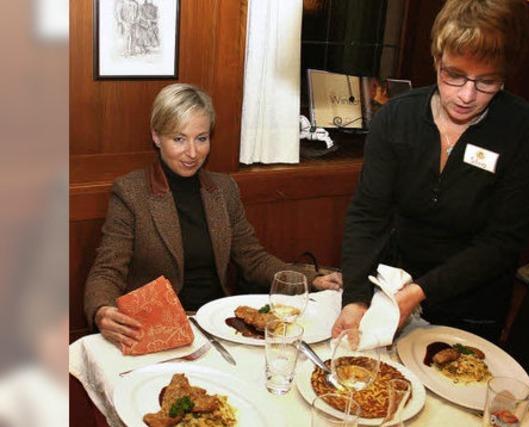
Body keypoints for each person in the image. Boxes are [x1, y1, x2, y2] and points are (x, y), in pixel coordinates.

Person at [332, 0, 529, 342]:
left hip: (471, 306)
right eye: (454, 75)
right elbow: (367, 214)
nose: (466, 95)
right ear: (437, 59)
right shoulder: (396, 119)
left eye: (487, 82)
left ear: (505, 74)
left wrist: (420, 292)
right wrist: (356, 299)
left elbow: (502, 243)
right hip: (392, 289)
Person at [85, 83, 342, 347]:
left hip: (220, 323)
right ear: (156, 137)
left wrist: (312, 279)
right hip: (160, 328)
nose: (193, 153)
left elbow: (252, 258)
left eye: (201, 138)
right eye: (179, 139)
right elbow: (107, 268)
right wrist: (102, 310)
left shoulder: (224, 189)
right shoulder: (131, 192)